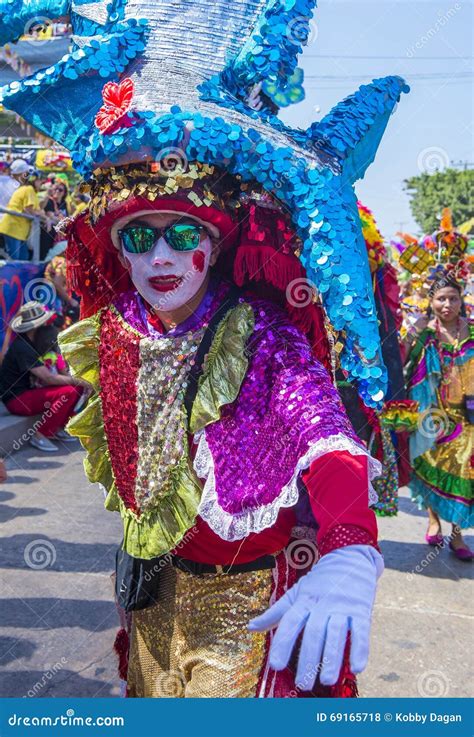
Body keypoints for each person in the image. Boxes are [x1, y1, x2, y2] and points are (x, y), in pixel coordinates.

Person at [1, 0, 409, 699]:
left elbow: (325, 437)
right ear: (116, 248)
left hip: (245, 609)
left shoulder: (260, 333)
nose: (160, 255)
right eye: (139, 236)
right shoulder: (118, 325)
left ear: (217, 243)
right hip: (152, 599)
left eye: (182, 234)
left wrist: (350, 546)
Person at [406, 273, 473, 560]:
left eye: (453, 298)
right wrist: (412, 333)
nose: (447, 304)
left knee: (465, 473)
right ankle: (433, 520)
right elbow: (402, 358)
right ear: (431, 302)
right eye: (441, 299)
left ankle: (457, 535)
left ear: (461, 301)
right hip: (430, 415)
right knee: (429, 464)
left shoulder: (471, 331)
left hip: (466, 415)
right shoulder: (424, 332)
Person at [0, 302, 91, 452]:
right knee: (68, 391)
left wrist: (79, 381)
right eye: (45, 324)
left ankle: (60, 427)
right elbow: (48, 378)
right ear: (36, 327)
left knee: (75, 388)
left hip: (30, 393)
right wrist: (80, 380)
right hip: (16, 399)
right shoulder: (23, 347)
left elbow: (59, 371)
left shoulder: (37, 343)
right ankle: (41, 434)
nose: (49, 327)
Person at [0, 163, 44, 260]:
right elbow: (28, 209)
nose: (42, 182)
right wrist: (44, 216)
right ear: (34, 180)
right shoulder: (29, 189)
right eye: (40, 180)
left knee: (23, 258)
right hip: (12, 229)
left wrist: (42, 213)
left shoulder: (29, 190)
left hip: (19, 231)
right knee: (13, 260)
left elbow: (34, 209)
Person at [40, 178, 71, 260]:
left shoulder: (64, 203)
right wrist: (62, 220)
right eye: (55, 189)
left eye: (60, 190)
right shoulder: (49, 201)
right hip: (49, 232)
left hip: (59, 234)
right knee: (46, 254)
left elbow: (65, 218)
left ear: (64, 193)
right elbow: (50, 215)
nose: (57, 191)